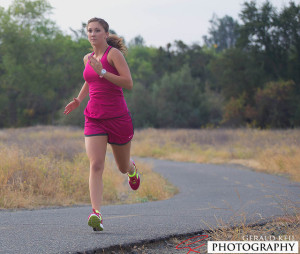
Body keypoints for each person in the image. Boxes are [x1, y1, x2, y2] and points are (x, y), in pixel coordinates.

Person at [64, 17, 140, 232]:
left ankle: (132, 169)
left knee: (122, 167)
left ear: (106, 34)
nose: (92, 34)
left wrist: (104, 72)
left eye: (97, 30)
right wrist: (79, 99)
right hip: (94, 117)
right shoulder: (87, 57)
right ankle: (96, 213)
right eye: (89, 30)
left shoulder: (114, 55)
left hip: (117, 118)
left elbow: (128, 83)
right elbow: (90, 80)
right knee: (96, 164)